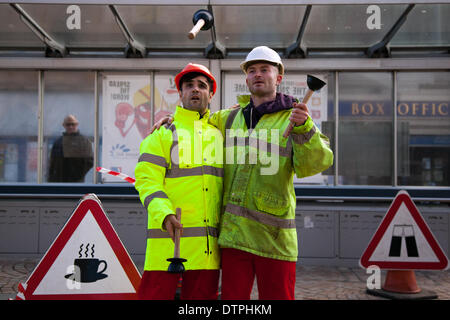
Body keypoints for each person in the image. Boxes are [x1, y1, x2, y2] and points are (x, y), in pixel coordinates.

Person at [153, 46, 333, 300]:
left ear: (278, 77)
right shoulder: (228, 118)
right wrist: (171, 118)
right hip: (235, 239)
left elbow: (316, 164)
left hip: (275, 241)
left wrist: (305, 128)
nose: (257, 74)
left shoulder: (295, 119)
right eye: (252, 70)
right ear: (246, 79)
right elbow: (196, 117)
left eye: (264, 69)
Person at [134, 63, 224, 300]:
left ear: (211, 94)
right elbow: (146, 181)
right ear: (180, 93)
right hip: (166, 249)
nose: (195, 90)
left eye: (202, 86)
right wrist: (164, 215)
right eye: (189, 85)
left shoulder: (221, 135)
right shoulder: (162, 134)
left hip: (207, 255)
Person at [48, 114, 93, 182]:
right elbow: (52, 163)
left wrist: (77, 175)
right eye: (68, 124)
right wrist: (51, 179)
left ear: (77, 124)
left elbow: (90, 161)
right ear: (64, 125)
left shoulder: (84, 141)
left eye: (73, 124)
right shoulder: (58, 142)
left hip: (76, 182)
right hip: (59, 181)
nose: (71, 127)